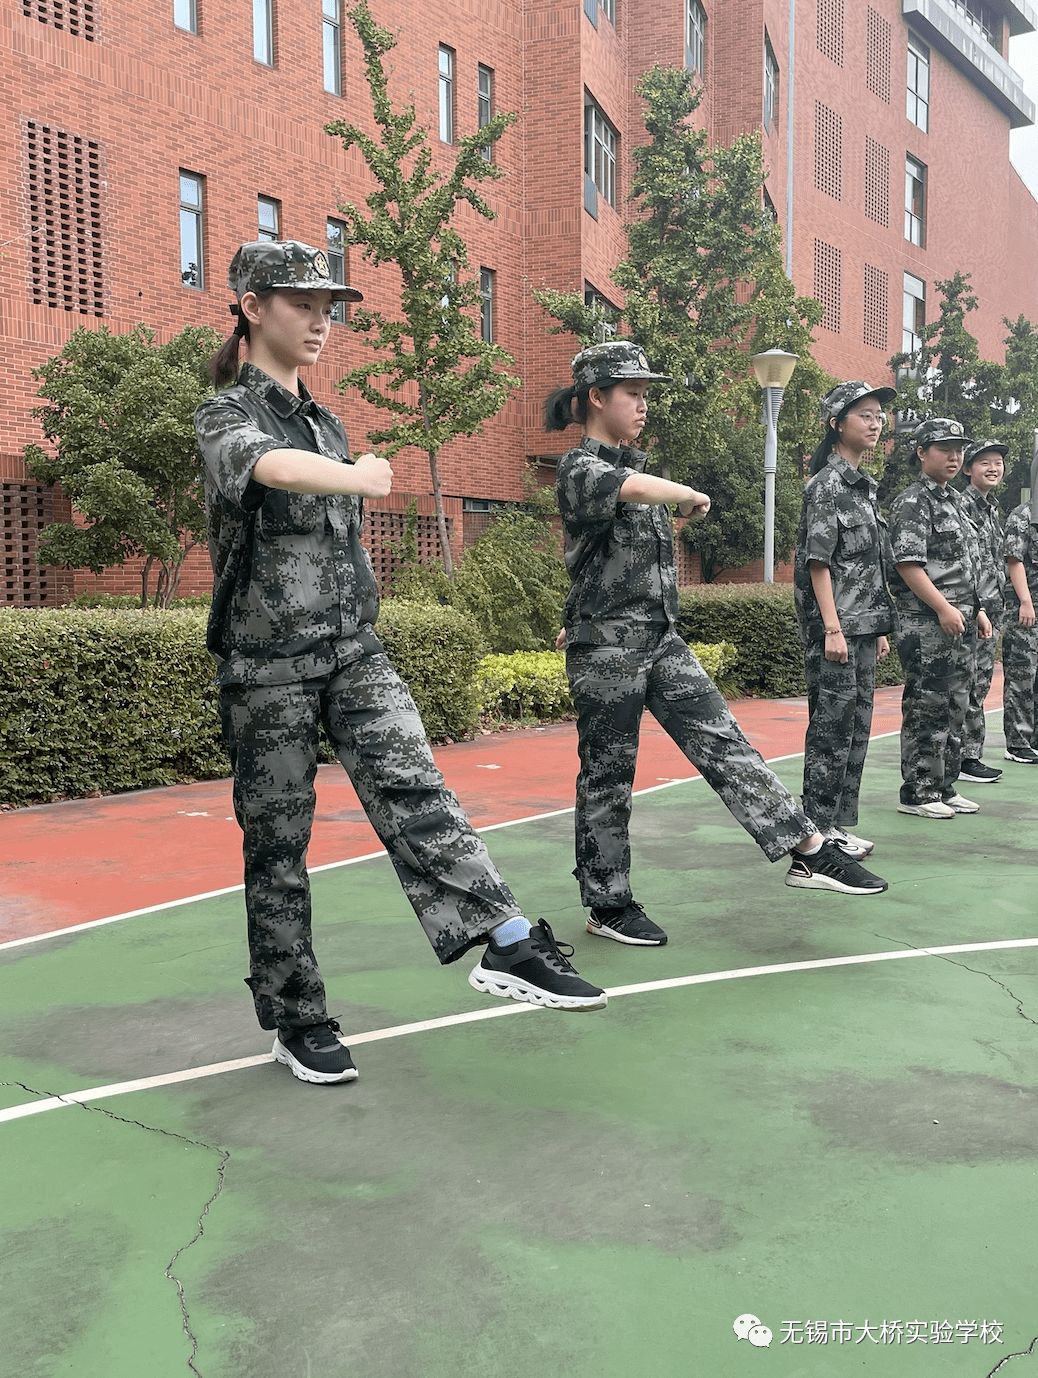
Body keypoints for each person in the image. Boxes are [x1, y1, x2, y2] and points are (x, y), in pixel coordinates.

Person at [194, 241, 606, 1085]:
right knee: (277, 848)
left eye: (328, 308)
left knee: (416, 785)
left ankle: (507, 940)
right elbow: (264, 467)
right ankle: (297, 1017)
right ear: (251, 306)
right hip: (267, 666)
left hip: (354, 650)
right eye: (302, 304)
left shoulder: (326, 421)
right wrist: (352, 475)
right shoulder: (227, 414)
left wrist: (347, 469)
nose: (321, 321)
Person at [547, 340, 888, 950]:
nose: (644, 405)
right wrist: (684, 493)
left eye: (646, 395)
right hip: (606, 647)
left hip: (659, 638)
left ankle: (808, 849)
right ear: (596, 397)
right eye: (633, 394)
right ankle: (608, 902)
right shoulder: (582, 469)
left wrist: (674, 498)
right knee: (607, 775)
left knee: (724, 741)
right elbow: (629, 491)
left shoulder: (635, 473)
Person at [794, 381, 898, 860]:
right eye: (865, 415)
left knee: (856, 727)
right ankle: (817, 826)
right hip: (836, 631)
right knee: (830, 730)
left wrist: (876, 627)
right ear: (837, 425)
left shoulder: (862, 487)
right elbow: (819, 563)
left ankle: (836, 824)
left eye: (879, 415)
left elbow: (867, 566)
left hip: (861, 627)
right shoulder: (827, 486)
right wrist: (832, 629)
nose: (876, 423)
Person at [887, 417, 992, 819]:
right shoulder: (913, 502)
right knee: (927, 705)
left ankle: (944, 785)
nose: (954, 457)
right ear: (921, 452)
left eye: (958, 450)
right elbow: (908, 565)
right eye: (944, 449)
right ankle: (918, 791)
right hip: (927, 623)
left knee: (956, 705)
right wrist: (944, 608)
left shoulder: (955, 501)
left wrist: (976, 609)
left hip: (959, 621)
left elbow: (964, 565)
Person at [958, 439, 1008, 784]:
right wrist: (977, 609)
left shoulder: (991, 509)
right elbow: (963, 566)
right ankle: (965, 757)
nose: (993, 468)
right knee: (968, 684)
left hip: (991, 611)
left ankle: (969, 754)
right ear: (967, 469)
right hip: (974, 612)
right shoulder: (962, 507)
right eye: (985, 462)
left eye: (998, 463)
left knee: (979, 683)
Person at [1000, 450, 1038, 765]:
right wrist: (1025, 601)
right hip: (1026, 608)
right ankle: (1018, 743)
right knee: (1022, 675)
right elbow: (1015, 560)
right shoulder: (1023, 515)